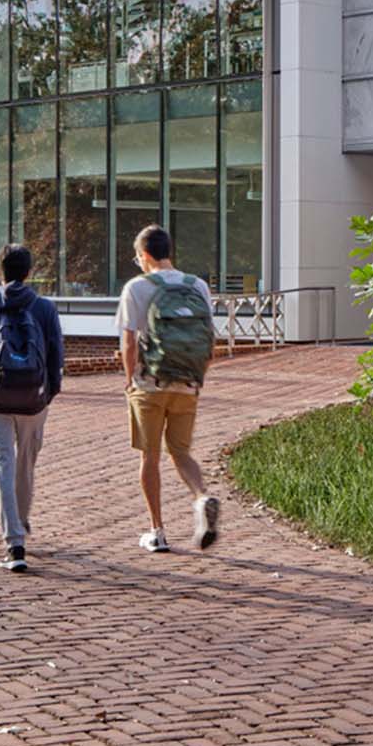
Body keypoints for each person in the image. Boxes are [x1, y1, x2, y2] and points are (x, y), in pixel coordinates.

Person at [114, 225, 220, 553]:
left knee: (150, 456)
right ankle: (201, 497)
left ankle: (157, 530)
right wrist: (197, 377)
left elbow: (129, 341)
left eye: (137, 257)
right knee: (181, 451)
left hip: (150, 382)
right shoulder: (197, 285)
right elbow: (209, 338)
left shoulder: (137, 287)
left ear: (145, 255)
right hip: (187, 383)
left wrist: (130, 378)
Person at [0, 244, 64, 573]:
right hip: (35, 399)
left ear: (1, 272)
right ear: (29, 271)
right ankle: (21, 520)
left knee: (3, 467)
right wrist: (48, 393)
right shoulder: (45, 309)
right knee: (25, 465)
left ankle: (14, 543)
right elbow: (55, 356)